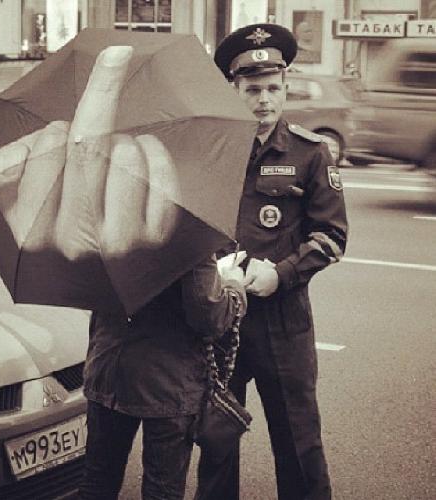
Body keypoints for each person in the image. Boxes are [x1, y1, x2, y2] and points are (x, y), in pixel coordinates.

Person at [195, 23, 348, 500]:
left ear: (284, 87)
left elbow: (332, 236)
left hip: (284, 321)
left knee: (299, 442)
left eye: (273, 89)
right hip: (222, 318)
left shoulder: (310, 153)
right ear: (234, 89)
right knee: (216, 442)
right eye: (253, 90)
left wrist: (280, 275)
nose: (264, 100)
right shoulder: (211, 150)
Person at [80, 253, 248, 499]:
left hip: (109, 365)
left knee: (97, 482)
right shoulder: (191, 237)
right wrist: (234, 287)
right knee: (162, 491)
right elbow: (208, 317)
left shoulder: (101, 232)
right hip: (168, 380)